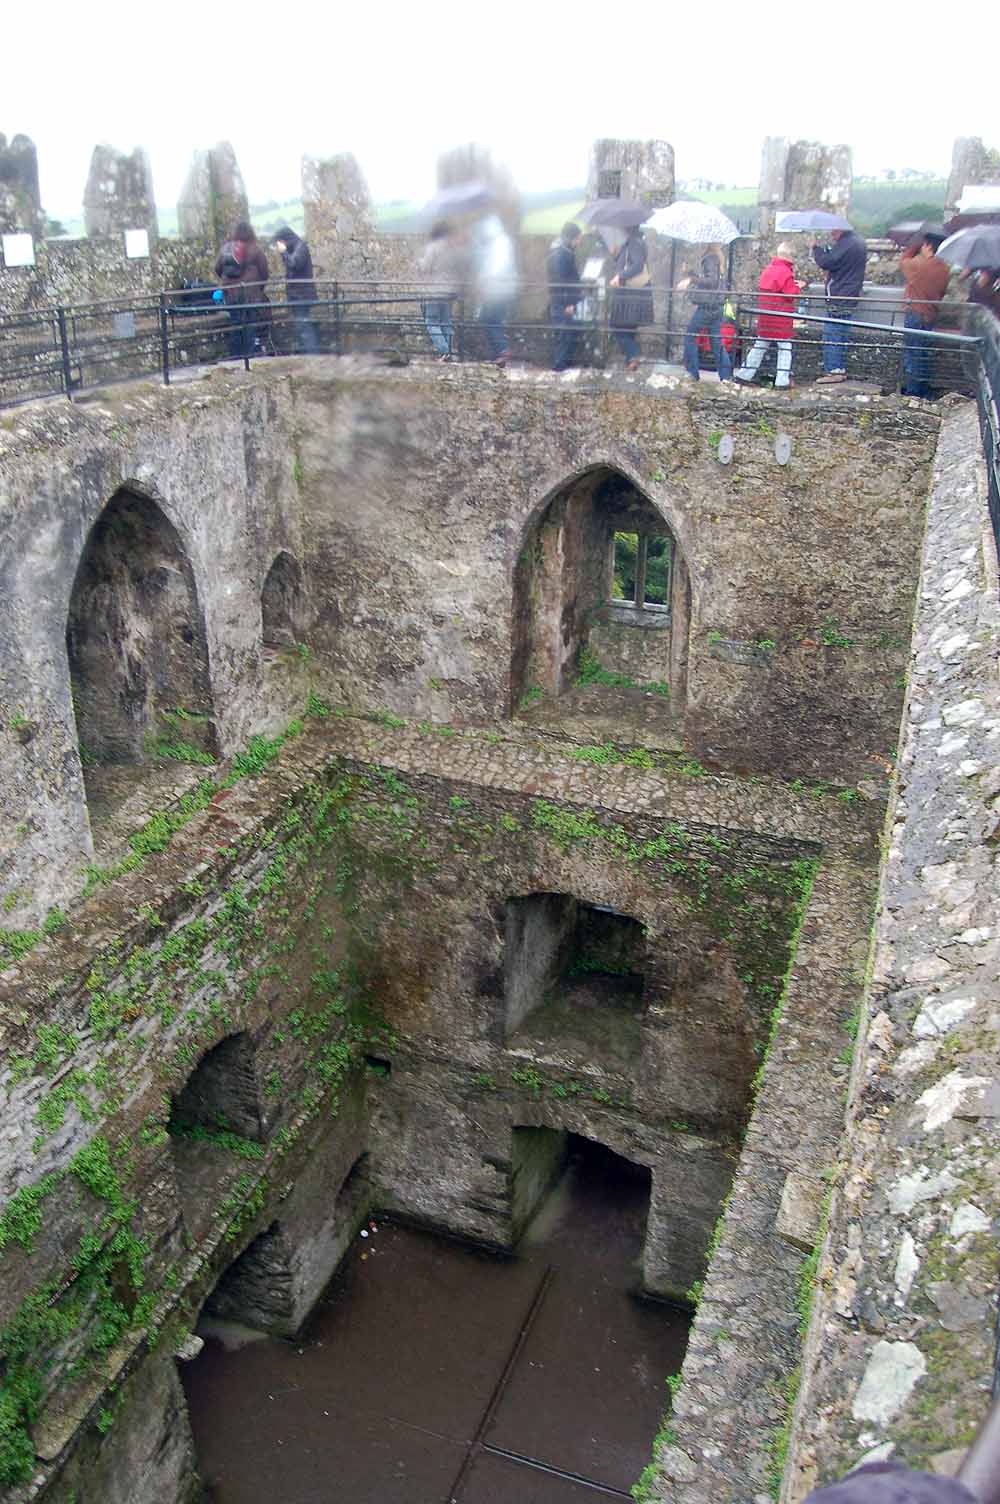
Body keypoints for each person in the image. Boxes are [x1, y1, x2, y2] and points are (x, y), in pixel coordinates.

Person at [733, 242, 801, 389]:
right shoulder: (786, 272)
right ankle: (782, 381)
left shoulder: (768, 270)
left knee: (759, 347)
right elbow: (790, 294)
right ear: (789, 256)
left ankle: (743, 375)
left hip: (766, 316)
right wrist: (798, 287)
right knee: (785, 348)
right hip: (781, 317)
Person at [812, 226, 867, 383]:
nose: (831, 233)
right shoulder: (858, 242)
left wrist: (815, 248)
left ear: (841, 230)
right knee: (842, 333)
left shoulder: (846, 244)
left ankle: (834, 370)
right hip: (850, 295)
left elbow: (827, 261)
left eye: (833, 230)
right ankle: (839, 369)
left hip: (839, 296)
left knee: (833, 334)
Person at [900, 231, 951, 399]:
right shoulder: (944, 268)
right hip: (930, 314)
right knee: (924, 354)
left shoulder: (918, 265)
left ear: (927, 246)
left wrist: (912, 247)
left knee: (912, 353)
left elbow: (903, 262)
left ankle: (913, 393)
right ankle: (923, 389)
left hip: (915, 313)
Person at [215, 221, 269, 360]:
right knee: (250, 325)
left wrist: (227, 283)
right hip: (250, 294)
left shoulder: (225, 249)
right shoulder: (255, 250)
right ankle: (249, 358)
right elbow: (264, 273)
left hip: (231, 294)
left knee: (235, 325)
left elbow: (218, 269)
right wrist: (258, 289)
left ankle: (236, 357)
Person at [472, 214, 519, 366]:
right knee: (492, 319)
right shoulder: (499, 243)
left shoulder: (500, 243)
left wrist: (485, 279)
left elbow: (496, 267)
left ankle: (503, 350)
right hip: (499, 289)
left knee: (489, 319)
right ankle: (499, 353)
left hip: (497, 289)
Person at [681, 247, 733, 382]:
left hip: (707, 307)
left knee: (689, 337)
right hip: (717, 307)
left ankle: (693, 374)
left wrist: (691, 280)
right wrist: (690, 273)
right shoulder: (718, 257)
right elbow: (711, 282)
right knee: (716, 343)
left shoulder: (710, 258)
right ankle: (726, 377)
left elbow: (711, 282)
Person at [608, 226, 653, 371]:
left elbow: (638, 265)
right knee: (627, 328)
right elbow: (627, 263)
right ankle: (631, 362)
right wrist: (616, 254)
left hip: (631, 294)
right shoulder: (632, 242)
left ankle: (634, 354)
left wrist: (620, 276)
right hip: (632, 294)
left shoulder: (634, 242)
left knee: (616, 325)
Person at [419, 221, 463, 361]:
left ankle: (444, 351)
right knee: (446, 321)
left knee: (431, 321)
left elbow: (426, 267)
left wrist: (419, 263)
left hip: (435, 289)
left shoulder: (433, 247)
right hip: (449, 290)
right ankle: (450, 351)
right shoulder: (453, 248)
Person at [273, 225, 319, 355]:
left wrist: (283, 252)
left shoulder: (300, 247)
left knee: (303, 325)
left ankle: (312, 355)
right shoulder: (296, 247)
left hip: (302, 295)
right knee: (301, 326)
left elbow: (294, 264)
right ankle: (307, 354)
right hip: (298, 294)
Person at [547, 222, 584, 371]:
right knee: (565, 333)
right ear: (572, 238)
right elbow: (562, 280)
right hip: (564, 301)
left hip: (562, 299)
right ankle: (560, 366)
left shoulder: (562, 251)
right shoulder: (563, 254)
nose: (580, 242)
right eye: (579, 238)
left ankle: (564, 363)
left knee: (569, 331)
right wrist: (569, 303)